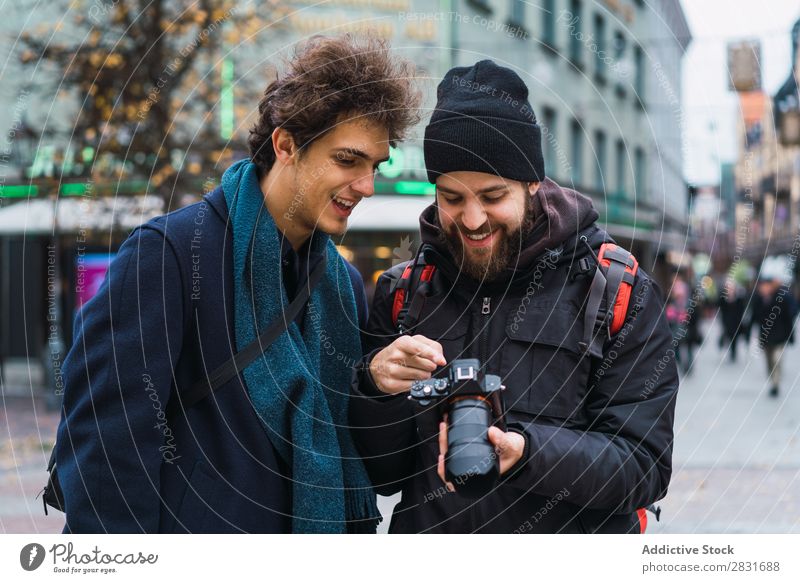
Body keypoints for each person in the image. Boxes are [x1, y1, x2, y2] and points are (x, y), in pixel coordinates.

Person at [55, 34, 420, 533]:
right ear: (286, 144)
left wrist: (376, 388)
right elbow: (107, 447)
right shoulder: (169, 254)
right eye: (347, 160)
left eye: (375, 166)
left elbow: (356, 446)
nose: (366, 186)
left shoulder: (345, 285)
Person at [349, 60, 679, 533]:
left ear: (531, 183)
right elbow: (382, 475)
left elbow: (644, 466)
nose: (473, 218)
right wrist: (375, 389)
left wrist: (528, 453)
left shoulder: (615, 290)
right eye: (452, 197)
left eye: (492, 195)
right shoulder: (404, 293)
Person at [751, 277, 797, 397]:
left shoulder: (781, 298)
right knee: (769, 362)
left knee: (777, 360)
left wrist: (790, 336)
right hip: (766, 337)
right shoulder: (758, 299)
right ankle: (772, 379)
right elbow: (754, 318)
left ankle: (776, 383)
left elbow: (789, 318)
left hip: (779, 337)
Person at [717, 278, 747, 362]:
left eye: (731, 287)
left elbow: (741, 310)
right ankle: (723, 343)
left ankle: (733, 353)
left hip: (736, 322)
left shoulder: (739, 298)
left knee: (734, 338)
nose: (730, 289)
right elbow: (720, 308)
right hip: (726, 322)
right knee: (728, 335)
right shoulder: (722, 298)